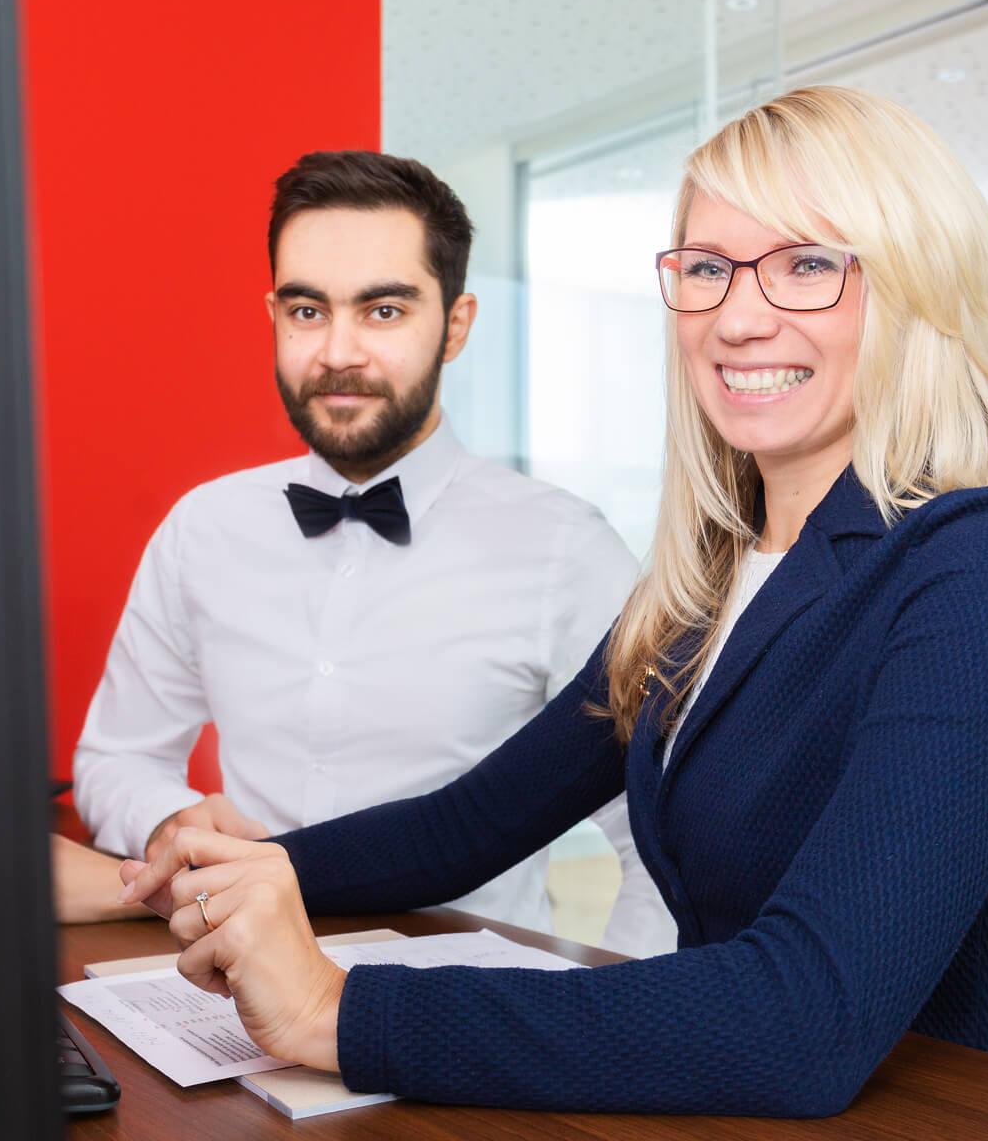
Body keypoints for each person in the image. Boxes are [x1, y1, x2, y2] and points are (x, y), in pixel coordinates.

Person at [121, 87, 988, 1117]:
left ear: (918, 288)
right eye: (708, 269)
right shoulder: (703, 584)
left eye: (808, 264)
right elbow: (472, 823)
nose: (739, 317)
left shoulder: (985, 560)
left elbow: (806, 1014)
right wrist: (232, 871)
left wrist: (338, 1010)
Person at [70, 149, 674, 954]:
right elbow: (115, 757)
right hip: (226, 983)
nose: (337, 353)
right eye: (307, 311)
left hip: (469, 1008)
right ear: (273, 316)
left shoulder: (567, 551)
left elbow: (661, 839)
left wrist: (610, 1003)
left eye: (383, 311)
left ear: (455, 325)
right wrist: (168, 820)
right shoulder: (202, 529)